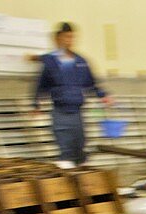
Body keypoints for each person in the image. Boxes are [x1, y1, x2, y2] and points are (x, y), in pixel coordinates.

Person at [33, 22, 111, 168]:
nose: (68, 40)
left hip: (77, 113)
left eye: (71, 37)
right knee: (65, 150)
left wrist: (103, 95)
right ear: (58, 39)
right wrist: (36, 104)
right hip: (60, 112)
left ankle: (82, 180)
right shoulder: (51, 62)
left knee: (80, 147)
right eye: (65, 37)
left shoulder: (81, 62)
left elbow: (92, 83)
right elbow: (41, 85)